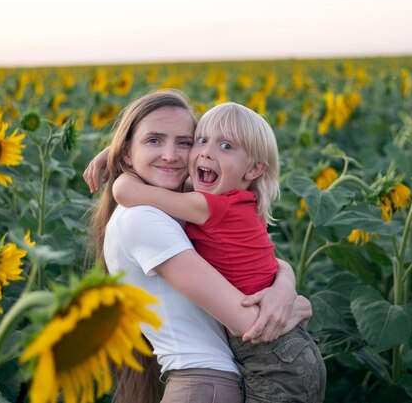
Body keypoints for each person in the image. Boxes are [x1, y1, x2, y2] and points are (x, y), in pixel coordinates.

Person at [86, 89, 312, 403]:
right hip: (215, 377)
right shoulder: (145, 219)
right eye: (153, 140)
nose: (171, 154)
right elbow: (250, 322)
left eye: (184, 142)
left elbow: (259, 261)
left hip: (217, 380)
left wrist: (285, 286)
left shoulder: (185, 206)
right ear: (127, 153)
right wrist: (296, 304)